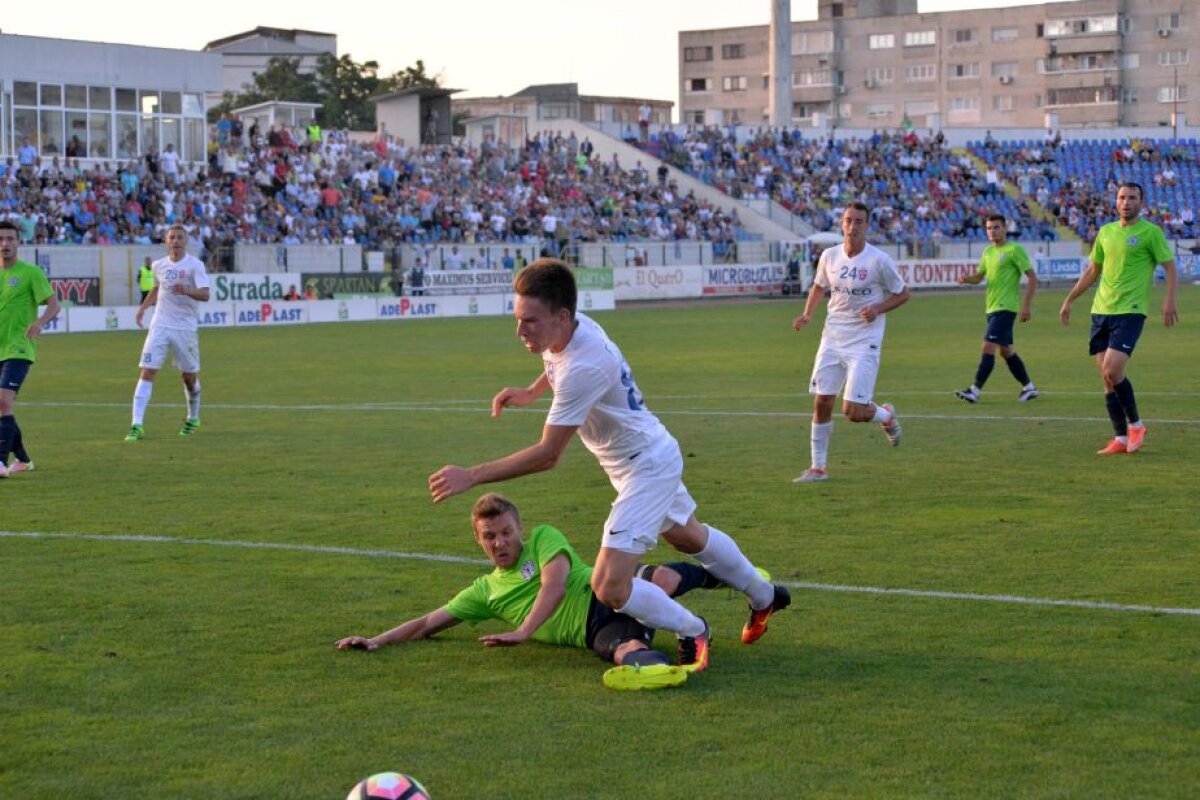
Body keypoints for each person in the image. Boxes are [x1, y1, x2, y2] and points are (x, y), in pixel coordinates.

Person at [429, 259, 789, 674]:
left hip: (645, 467)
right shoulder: (573, 329)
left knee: (609, 585)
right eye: (517, 319)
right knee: (688, 536)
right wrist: (530, 392)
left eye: (530, 321)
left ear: (562, 316)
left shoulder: (583, 367)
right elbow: (555, 364)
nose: (520, 330)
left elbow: (548, 455)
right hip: (647, 452)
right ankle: (766, 596)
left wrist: (471, 475)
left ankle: (694, 630)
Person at [337, 492, 735, 690]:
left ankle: (719, 575)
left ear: (520, 529)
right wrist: (376, 640)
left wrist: (523, 631)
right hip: (594, 628)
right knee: (621, 650)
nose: (500, 542)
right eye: (489, 536)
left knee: (661, 581)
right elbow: (427, 623)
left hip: (605, 590)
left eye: (506, 532)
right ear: (478, 540)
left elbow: (555, 586)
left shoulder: (544, 538)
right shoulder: (485, 592)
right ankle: (661, 668)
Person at [791, 202, 909, 484]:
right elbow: (819, 286)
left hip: (864, 341)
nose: (852, 226)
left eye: (858, 221)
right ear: (842, 223)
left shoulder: (878, 260)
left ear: (866, 226)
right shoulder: (829, 256)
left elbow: (903, 293)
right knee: (822, 402)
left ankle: (886, 416)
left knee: (853, 412)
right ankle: (818, 468)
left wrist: (878, 308)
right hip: (832, 338)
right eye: (848, 220)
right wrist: (808, 314)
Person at [1060, 182, 1178, 455]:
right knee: (1106, 378)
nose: (1126, 202)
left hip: (1131, 311)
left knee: (1113, 370)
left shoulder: (1151, 233)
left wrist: (1169, 299)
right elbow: (1093, 270)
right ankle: (1120, 438)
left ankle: (1136, 425)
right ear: (1116, 201)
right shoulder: (1106, 232)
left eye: (1132, 198)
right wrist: (1070, 299)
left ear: (1141, 203)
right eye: (1122, 197)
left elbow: (1170, 267)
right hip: (1101, 310)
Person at [124, 224, 211, 442]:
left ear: (186, 241)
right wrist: (143, 308)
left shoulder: (195, 265)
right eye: (172, 237)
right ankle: (136, 425)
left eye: (180, 237)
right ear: (166, 241)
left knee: (188, 377)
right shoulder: (158, 265)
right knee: (147, 371)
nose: (176, 241)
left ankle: (193, 418)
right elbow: (156, 288)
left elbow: (205, 294)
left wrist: (187, 291)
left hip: (185, 327)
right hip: (160, 324)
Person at [954, 214, 1039, 404]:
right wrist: (966, 279)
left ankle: (974, 390)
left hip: (1006, 308)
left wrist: (1026, 304)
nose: (992, 231)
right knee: (1005, 351)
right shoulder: (988, 252)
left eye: (996, 227)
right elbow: (979, 277)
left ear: (1004, 228)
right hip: (991, 308)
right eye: (989, 228)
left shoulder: (1014, 250)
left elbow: (1032, 277)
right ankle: (1029, 387)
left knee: (988, 346)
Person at [0, 220, 61, 477]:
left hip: (19, 348)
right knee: (3, 408)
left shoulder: (30, 272)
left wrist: (39, 322)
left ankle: (0, 462)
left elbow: (54, 305)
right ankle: (23, 460)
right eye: (1, 239)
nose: (5, 244)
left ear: (18, 242)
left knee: (3, 401)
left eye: (10, 239)